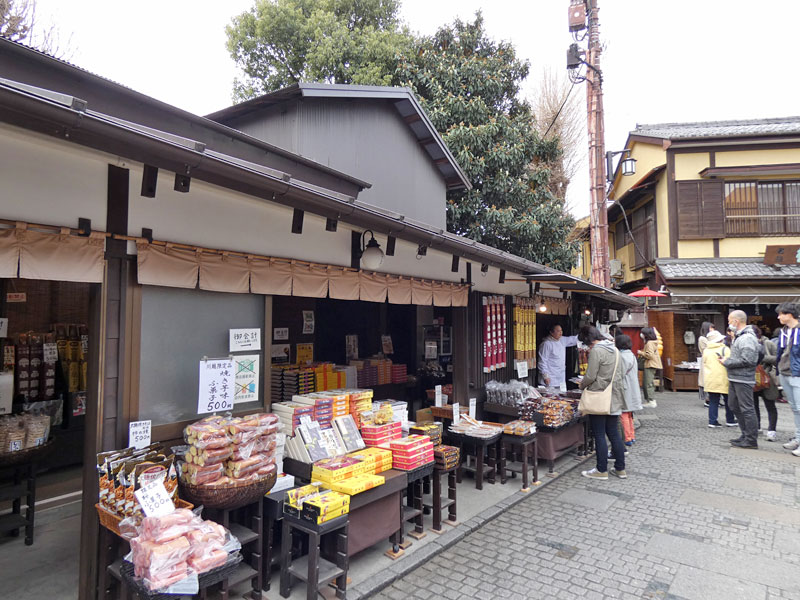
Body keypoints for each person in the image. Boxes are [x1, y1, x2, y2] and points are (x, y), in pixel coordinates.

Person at [579, 325, 627, 480]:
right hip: (615, 396)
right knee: (613, 433)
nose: (588, 347)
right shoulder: (615, 350)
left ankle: (601, 470)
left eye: (588, 344)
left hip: (599, 396)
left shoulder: (597, 351)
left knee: (599, 433)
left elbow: (591, 375)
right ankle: (620, 468)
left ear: (591, 341)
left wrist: (582, 385)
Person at [721, 310, 760, 449]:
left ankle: (751, 439)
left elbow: (748, 360)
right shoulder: (740, 336)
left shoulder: (747, 338)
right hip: (735, 377)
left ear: (735, 321)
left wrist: (727, 362)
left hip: (743, 378)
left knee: (747, 409)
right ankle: (745, 435)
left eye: (729, 320)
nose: (728, 323)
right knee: (734, 406)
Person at [775, 302, 800, 456]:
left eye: (781, 314)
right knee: (795, 409)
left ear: (789, 314)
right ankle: (798, 438)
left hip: (797, 374)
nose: (778, 317)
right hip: (785, 373)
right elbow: (781, 352)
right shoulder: (784, 331)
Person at [702, 328, 736, 428]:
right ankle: (730, 420)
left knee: (713, 401)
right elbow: (731, 362)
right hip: (724, 378)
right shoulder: (725, 349)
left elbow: (704, 363)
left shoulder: (706, 351)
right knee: (728, 400)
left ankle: (712, 421)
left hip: (710, 378)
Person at [752, 325, 779, 441]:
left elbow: (778, 359)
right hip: (753, 379)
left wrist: (763, 358)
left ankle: (771, 430)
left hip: (767, 378)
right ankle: (757, 427)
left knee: (770, 405)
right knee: (754, 405)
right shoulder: (747, 344)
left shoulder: (768, 343)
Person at [615, 334, 642, 445]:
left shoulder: (622, 357)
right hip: (632, 387)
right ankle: (631, 435)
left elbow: (620, 373)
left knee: (624, 413)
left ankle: (627, 437)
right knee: (629, 413)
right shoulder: (631, 355)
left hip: (625, 388)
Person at [538, 324, 579, 390]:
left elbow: (573, 340)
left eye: (561, 331)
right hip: (550, 378)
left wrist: (586, 334)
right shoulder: (546, 344)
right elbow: (542, 361)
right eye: (558, 331)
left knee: (561, 398)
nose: (560, 333)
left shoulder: (562, 340)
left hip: (560, 377)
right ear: (551, 332)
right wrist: (545, 376)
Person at [638, 327, 662, 408]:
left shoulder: (649, 343)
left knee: (647, 383)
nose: (641, 335)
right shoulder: (653, 342)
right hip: (652, 364)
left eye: (643, 333)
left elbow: (650, 355)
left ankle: (651, 400)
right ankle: (650, 400)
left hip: (650, 364)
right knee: (648, 382)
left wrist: (641, 353)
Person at [697, 322, 716, 408]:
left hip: (712, 361)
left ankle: (713, 399)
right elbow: (709, 347)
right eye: (711, 328)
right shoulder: (702, 339)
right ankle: (707, 400)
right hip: (706, 361)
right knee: (707, 380)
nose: (712, 330)